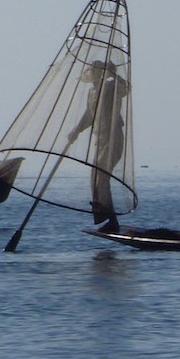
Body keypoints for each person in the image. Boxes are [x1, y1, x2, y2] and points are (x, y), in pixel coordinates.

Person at [67, 58, 129, 231]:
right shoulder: (92, 92)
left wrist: (113, 74)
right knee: (95, 176)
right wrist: (76, 131)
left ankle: (112, 220)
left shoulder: (110, 88)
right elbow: (89, 115)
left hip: (113, 137)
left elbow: (125, 89)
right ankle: (105, 216)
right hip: (100, 139)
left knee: (101, 176)